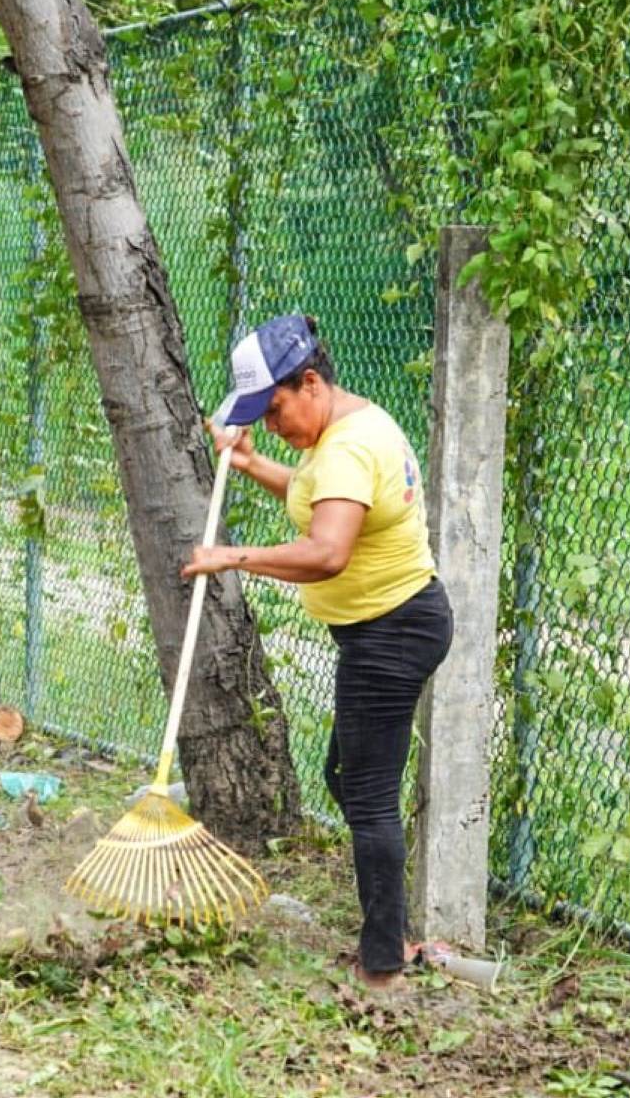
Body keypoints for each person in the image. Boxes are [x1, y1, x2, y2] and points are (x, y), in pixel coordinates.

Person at [181, 314, 453, 990]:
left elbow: (329, 551)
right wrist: (250, 465)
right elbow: (317, 501)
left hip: (392, 630)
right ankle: (392, 934)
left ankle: (384, 964)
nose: (273, 427)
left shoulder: (346, 449)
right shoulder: (342, 428)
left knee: (366, 796)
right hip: (384, 627)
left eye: (274, 412)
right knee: (349, 779)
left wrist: (231, 557)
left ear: (309, 382)